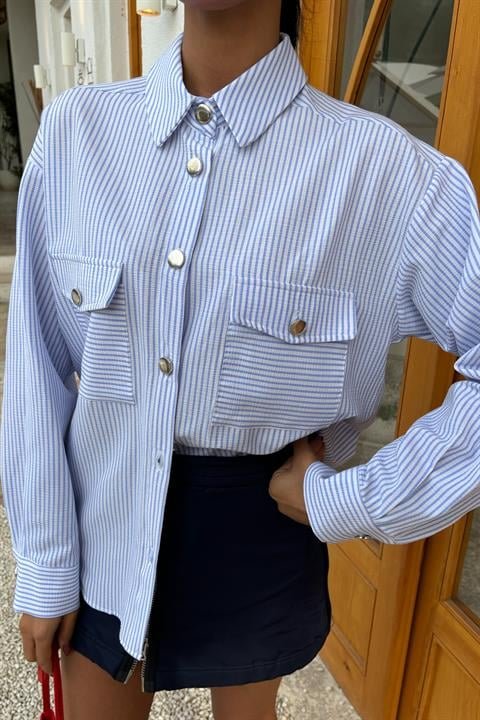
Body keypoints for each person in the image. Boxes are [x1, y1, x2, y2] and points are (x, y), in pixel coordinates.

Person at [1, 1, 479, 719]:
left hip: (261, 530)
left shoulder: (388, 176)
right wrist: (44, 562)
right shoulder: (79, 135)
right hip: (103, 514)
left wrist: (352, 499)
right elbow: (35, 365)